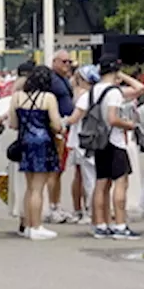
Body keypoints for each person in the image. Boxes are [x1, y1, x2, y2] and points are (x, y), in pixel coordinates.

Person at [88, 57, 144, 240]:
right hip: (115, 140)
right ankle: (120, 224)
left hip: (99, 141)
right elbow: (113, 117)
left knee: (101, 183)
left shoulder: (93, 91)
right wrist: (128, 125)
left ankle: (100, 224)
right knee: (121, 182)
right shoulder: (114, 92)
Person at [9, 64, 64, 240]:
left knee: (29, 186)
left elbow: (13, 124)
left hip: (25, 141)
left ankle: (26, 224)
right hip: (43, 142)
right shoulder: (48, 98)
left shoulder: (17, 97)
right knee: (38, 188)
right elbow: (56, 125)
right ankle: (36, 226)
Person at [63, 64, 100, 224]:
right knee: (90, 177)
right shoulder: (97, 94)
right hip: (93, 139)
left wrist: (60, 121)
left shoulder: (85, 96)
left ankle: (92, 212)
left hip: (82, 140)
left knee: (89, 178)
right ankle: (91, 210)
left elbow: (74, 118)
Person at [46, 49, 77, 223]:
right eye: (64, 62)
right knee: (54, 169)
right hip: (57, 128)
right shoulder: (52, 80)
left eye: (69, 62)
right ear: (55, 62)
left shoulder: (64, 80)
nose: (67, 65)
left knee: (60, 169)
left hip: (66, 128)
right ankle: (52, 206)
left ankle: (56, 204)